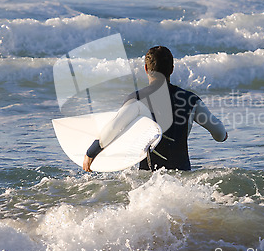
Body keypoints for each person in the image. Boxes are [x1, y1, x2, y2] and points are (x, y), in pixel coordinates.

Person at [83, 46, 227, 172]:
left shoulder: (137, 99)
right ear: (172, 69)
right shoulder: (191, 100)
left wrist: (91, 153)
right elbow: (220, 135)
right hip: (183, 178)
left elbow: (113, 128)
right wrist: (224, 135)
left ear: (146, 68)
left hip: (149, 180)